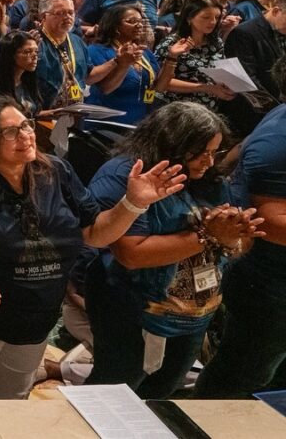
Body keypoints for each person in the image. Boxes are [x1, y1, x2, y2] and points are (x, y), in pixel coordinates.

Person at [0, 97, 186, 399]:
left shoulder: (57, 172)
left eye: (26, 125)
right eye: (10, 132)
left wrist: (133, 204)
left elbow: (96, 234)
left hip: (38, 315)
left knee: (14, 393)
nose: (25, 135)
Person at [85, 102, 262, 397]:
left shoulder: (210, 179)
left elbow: (238, 241)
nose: (208, 161)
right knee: (114, 394)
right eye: (200, 151)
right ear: (172, 142)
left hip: (194, 314)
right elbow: (131, 254)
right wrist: (208, 235)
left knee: (161, 393)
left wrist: (233, 238)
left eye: (214, 151)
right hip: (134, 309)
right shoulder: (127, 175)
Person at [195, 57, 286, 398]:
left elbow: (235, 154)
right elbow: (268, 220)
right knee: (244, 371)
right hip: (269, 279)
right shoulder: (278, 142)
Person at [85, 3, 161, 125]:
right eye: (132, 21)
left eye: (141, 21)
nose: (139, 25)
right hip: (106, 123)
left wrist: (172, 57)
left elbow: (159, 85)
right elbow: (106, 89)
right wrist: (123, 64)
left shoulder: (144, 51)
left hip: (138, 121)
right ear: (115, 26)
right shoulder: (97, 50)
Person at [34, 0, 90, 111]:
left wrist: (116, 62)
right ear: (43, 16)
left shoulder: (77, 41)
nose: (68, 17)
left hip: (75, 110)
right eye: (60, 13)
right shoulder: (34, 42)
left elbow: (89, 74)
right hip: (44, 112)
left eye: (71, 12)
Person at [223, 0, 286, 100]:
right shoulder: (244, 33)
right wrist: (273, 105)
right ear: (275, 11)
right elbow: (246, 77)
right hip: (263, 105)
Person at [0, 31, 42, 118]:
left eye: (36, 51)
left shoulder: (26, 80)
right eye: (28, 52)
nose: (35, 56)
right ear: (11, 55)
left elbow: (27, 112)